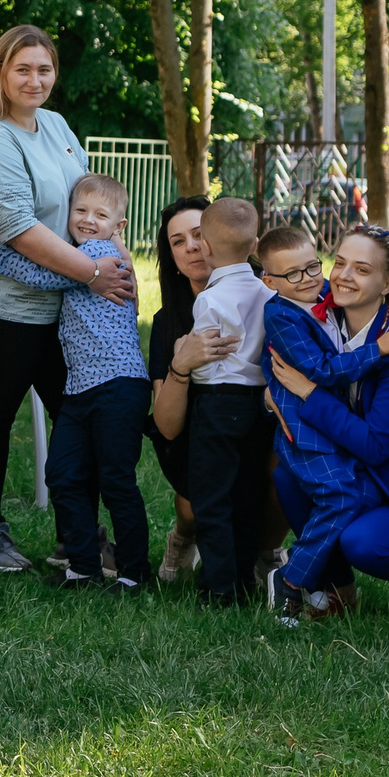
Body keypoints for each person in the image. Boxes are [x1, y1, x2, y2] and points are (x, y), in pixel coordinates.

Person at [0, 24, 130, 573]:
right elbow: (19, 228)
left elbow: (89, 197)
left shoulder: (57, 126)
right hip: (0, 305)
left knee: (77, 417)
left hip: (61, 305)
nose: (35, 79)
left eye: (44, 69)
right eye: (23, 69)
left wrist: (115, 251)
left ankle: (79, 536)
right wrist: (93, 272)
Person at [264, 226, 389, 628]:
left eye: (361, 269)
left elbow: (377, 445)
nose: (342, 276)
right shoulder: (316, 312)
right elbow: (277, 359)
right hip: (365, 473)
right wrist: (273, 394)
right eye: (339, 263)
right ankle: (338, 593)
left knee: (363, 542)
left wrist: (309, 393)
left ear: (387, 283)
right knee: (290, 478)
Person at [0, 174, 152, 591]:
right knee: (64, 474)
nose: (87, 220)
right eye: (80, 211)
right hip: (82, 388)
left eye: (100, 215)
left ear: (117, 227)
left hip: (118, 385)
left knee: (116, 479)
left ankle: (134, 572)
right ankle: (83, 566)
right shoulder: (83, 254)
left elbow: (39, 273)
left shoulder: (97, 257)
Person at [183, 196, 271, 605]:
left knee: (213, 496)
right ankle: (244, 579)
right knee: (247, 492)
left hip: (219, 401)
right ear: (255, 245)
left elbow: (204, 357)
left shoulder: (210, 300)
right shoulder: (269, 295)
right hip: (258, 405)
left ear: (204, 245)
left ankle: (220, 588)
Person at [147, 196, 230, 583]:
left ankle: (268, 551)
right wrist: (181, 364)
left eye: (199, 234)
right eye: (178, 242)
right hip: (191, 430)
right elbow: (166, 425)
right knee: (198, 505)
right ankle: (183, 535)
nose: (191, 246)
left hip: (257, 420)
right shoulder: (168, 321)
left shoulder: (265, 296)